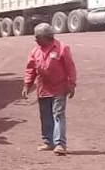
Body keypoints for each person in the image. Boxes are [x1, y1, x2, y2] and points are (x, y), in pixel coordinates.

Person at [23, 23, 77, 156]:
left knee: (58, 115)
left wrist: (71, 85)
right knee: (45, 116)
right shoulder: (35, 51)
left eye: (38, 36)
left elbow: (70, 68)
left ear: (46, 36)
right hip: (43, 89)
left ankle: (60, 144)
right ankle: (48, 142)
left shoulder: (62, 48)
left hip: (59, 88)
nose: (35, 39)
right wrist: (27, 85)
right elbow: (30, 69)